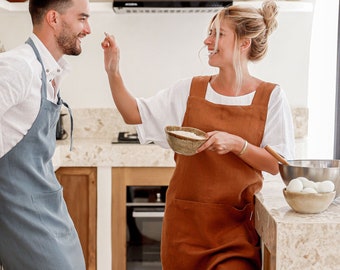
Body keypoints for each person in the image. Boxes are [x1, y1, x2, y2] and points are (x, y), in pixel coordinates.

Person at [102, 0, 295, 269]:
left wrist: (238, 145)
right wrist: (113, 71)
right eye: (209, 32)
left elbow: (278, 164)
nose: (207, 41)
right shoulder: (189, 90)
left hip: (234, 230)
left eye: (218, 34)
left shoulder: (271, 97)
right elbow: (133, 114)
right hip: (184, 229)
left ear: (244, 43)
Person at [0, 0, 91, 269]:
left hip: (49, 205)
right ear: (54, 19)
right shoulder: (18, 67)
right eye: (82, 18)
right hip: (23, 217)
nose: (88, 28)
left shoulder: (51, 70)